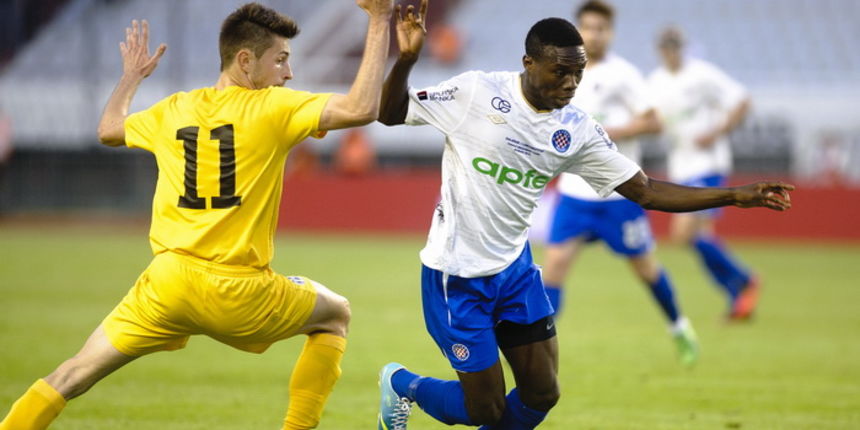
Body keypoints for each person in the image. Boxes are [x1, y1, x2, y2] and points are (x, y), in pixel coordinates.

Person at [375, 3, 792, 430]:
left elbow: (645, 191)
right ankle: (402, 383)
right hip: (457, 277)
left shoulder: (575, 130)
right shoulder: (476, 93)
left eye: (579, 73)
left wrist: (736, 196)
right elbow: (390, 114)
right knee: (486, 409)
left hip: (514, 271)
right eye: (560, 72)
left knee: (542, 394)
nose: (571, 83)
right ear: (529, 62)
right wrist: (406, 59)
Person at [0, 1, 392, 429]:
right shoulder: (273, 107)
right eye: (280, 60)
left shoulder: (174, 109)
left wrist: (131, 77)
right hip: (238, 292)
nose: (288, 73)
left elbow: (109, 129)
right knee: (336, 314)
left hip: (167, 285)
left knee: (71, 374)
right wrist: (379, 20)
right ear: (245, 61)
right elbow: (361, 108)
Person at [542, 0, 698, 366]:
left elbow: (654, 122)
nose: (593, 34)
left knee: (645, 268)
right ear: (576, 30)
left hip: (618, 194)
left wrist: (605, 132)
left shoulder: (624, 75)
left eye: (600, 28)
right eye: (587, 27)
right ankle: (539, 347)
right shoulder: (561, 72)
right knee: (555, 265)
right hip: (574, 194)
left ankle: (679, 326)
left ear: (610, 32)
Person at [647, 27, 758, 320]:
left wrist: (716, 131)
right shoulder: (655, 82)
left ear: (682, 47)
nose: (671, 51)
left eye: (675, 46)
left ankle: (743, 279)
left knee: (685, 232)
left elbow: (743, 101)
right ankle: (738, 294)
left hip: (707, 164)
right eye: (666, 46)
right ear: (659, 50)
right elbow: (654, 119)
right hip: (681, 167)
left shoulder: (702, 74)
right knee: (695, 236)